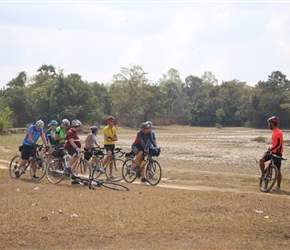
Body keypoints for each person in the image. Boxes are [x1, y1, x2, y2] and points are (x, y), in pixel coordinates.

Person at [259, 116, 284, 191]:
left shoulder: (278, 132)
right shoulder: (274, 132)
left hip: (277, 153)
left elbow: (278, 144)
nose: (269, 125)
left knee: (278, 170)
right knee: (261, 160)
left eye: (269, 123)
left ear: (273, 123)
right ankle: (264, 175)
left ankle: (278, 186)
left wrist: (271, 149)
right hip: (272, 151)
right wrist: (270, 149)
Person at [64, 119, 82, 184]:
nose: (79, 127)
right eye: (79, 126)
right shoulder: (70, 132)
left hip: (73, 147)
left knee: (76, 162)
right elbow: (71, 142)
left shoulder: (74, 132)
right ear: (76, 126)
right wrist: (76, 148)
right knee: (75, 154)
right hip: (70, 147)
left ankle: (74, 176)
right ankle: (68, 167)